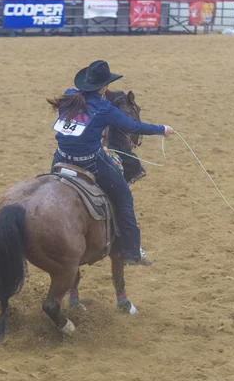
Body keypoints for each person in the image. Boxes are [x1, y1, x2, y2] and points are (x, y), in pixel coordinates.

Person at [49, 61, 175, 266]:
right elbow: (133, 126)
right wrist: (162, 129)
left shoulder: (69, 95)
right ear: (104, 86)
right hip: (90, 162)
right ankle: (132, 251)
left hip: (61, 158)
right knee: (124, 197)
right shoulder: (104, 107)